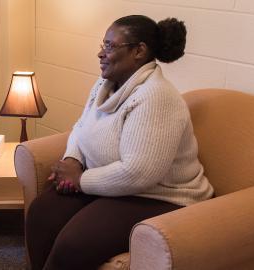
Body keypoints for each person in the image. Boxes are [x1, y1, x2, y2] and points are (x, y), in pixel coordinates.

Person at [25, 15, 214, 270]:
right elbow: (81, 128)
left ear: (139, 51)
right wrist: (72, 160)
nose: (101, 54)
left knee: (75, 243)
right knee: (42, 214)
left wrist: (80, 180)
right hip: (108, 185)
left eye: (111, 47)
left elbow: (139, 174)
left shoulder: (156, 97)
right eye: (102, 45)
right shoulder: (105, 83)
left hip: (157, 196)